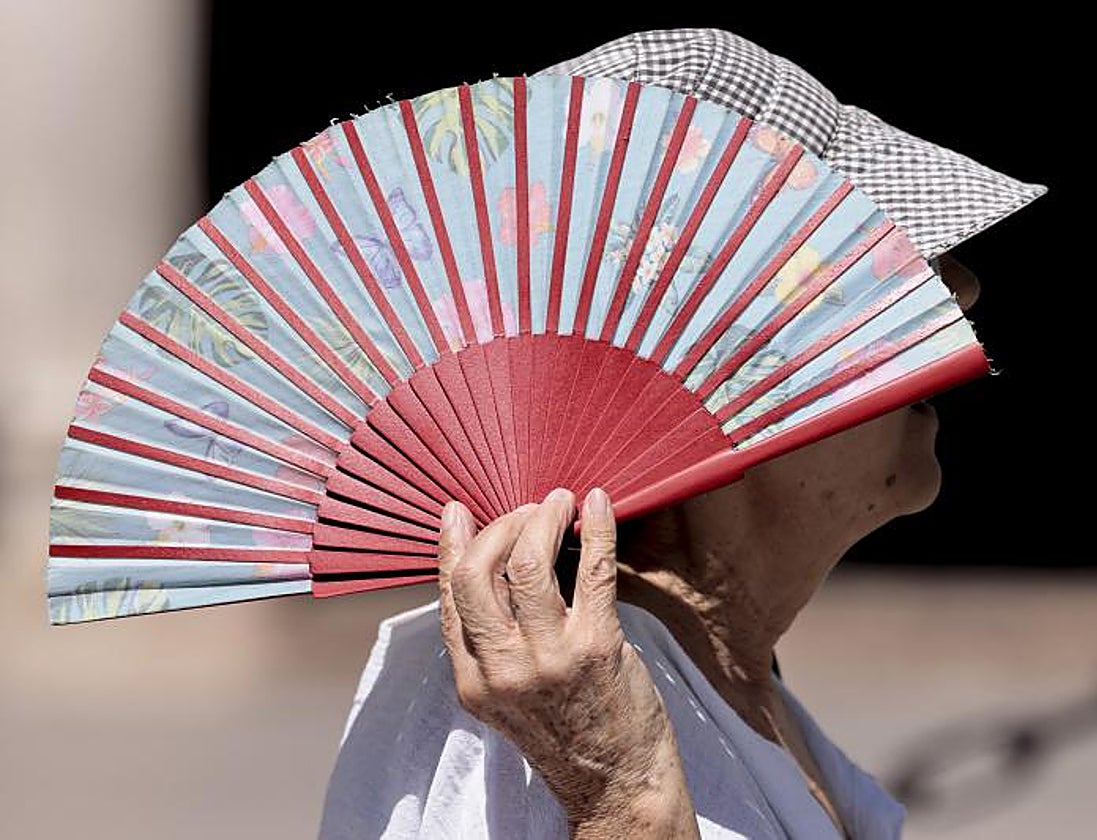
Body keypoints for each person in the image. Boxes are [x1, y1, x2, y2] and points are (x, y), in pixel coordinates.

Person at [319, 29, 1045, 839]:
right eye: (877, 272)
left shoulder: (718, 677)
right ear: (713, 367)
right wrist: (618, 797)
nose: (963, 288)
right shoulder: (524, 719)